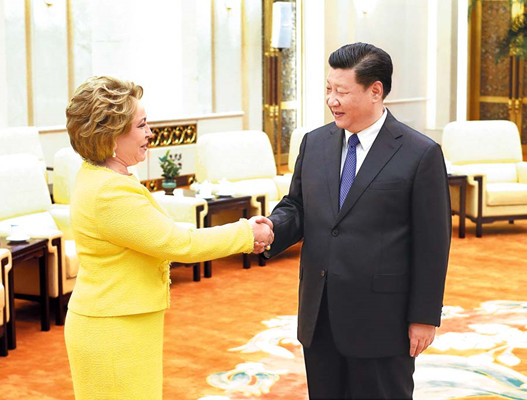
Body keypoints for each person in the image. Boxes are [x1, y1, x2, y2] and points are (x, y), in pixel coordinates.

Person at [63, 76, 273, 400]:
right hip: (113, 331)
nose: (150, 133)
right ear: (111, 134)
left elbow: (161, 233)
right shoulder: (109, 191)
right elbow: (179, 244)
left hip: (123, 323)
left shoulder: (105, 177)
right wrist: (245, 233)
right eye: (142, 125)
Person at [264, 43, 451, 399]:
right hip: (320, 316)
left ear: (375, 91)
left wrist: (424, 317)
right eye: (328, 89)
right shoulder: (314, 143)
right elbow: (298, 207)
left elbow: (433, 244)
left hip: (383, 321)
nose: (331, 100)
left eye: (342, 92)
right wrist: (272, 227)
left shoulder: (420, 153)